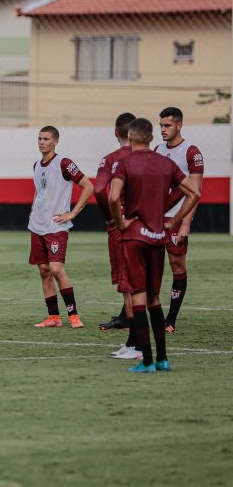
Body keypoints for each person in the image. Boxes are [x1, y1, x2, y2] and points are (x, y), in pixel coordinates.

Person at [109, 117, 200, 373]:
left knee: (137, 296)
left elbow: (114, 196)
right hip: (158, 236)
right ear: (150, 137)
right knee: (154, 298)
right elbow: (194, 193)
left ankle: (146, 360)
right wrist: (175, 222)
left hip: (134, 236)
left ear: (131, 137)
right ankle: (163, 358)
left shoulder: (123, 163)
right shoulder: (166, 163)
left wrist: (121, 222)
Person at [28, 125, 94, 329]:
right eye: (39, 138)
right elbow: (40, 192)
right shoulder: (36, 165)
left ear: (55, 141)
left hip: (56, 226)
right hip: (37, 225)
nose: (41, 142)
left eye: (46, 139)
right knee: (44, 271)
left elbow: (88, 186)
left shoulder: (64, 163)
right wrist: (32, 211)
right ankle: (54, 317)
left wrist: (72, 213)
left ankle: (73, 315)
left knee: (56, 268)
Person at [93, 113, 143, 359]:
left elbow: (100, 190)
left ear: (116, 133)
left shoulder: (112, 159)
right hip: (147, 226)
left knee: (128, 288)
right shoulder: (150, 158)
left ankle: (136, 345)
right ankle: (135, 342)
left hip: (122, 227)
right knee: (143, 287)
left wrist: (112, 217)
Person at [154, 107, 203, 333]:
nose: (163, 129)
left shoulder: (191, 153)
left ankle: (170, 319)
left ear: (179, 125)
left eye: (168, 125)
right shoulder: (156, 150)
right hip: (155, 219)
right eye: (161, 125)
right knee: (149, 268)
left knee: (176, 265)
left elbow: (195, 191)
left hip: (176, 219)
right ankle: (134, 316)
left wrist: (185, 223)